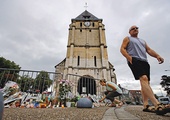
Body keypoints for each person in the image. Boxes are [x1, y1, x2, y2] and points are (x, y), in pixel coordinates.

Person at [120, 25, 169, 115]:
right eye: (132, 29)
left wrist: (157, 55)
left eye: (136, 28)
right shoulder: (127, 38)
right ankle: (157, 104)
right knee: (144, 78)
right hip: (134, 59)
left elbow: (149, 50)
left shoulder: (142, 41)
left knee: (146, 83)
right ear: (129, 32)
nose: (135, 29)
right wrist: (129, 58)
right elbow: (122, 49)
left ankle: (146, 105)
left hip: (144, 61)